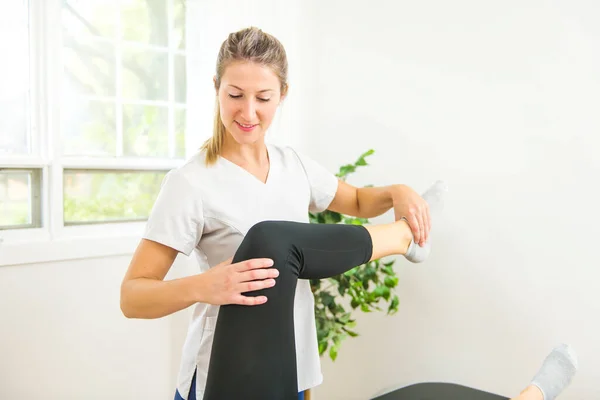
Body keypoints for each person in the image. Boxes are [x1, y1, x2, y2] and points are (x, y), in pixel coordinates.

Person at [120, 26, 577, 400]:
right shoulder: (191, 182)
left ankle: (404, 237)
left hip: (294, 365)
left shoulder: (292, 164)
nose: (248, 111)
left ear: (282, 95)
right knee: (273, 237)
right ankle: (401, 240)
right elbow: (133, 295)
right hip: (225, 367)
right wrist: (205, 285)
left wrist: (397, 191)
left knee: (282, 240)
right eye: (235, 94)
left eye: (263, 97)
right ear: (217, 89)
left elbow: (356, 202)